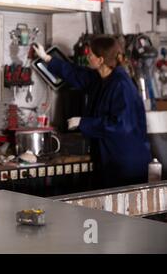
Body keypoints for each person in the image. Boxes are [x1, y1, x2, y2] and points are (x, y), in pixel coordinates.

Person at [33, 36, 151, 189]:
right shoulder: (101, 78)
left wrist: (83, 122)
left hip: (125, 163)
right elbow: (76, 74)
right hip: (110, 157)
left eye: (91, 54)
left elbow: (121, 125)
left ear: (100, 60)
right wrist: (47, 58)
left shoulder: (121, 85)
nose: (87, 56)